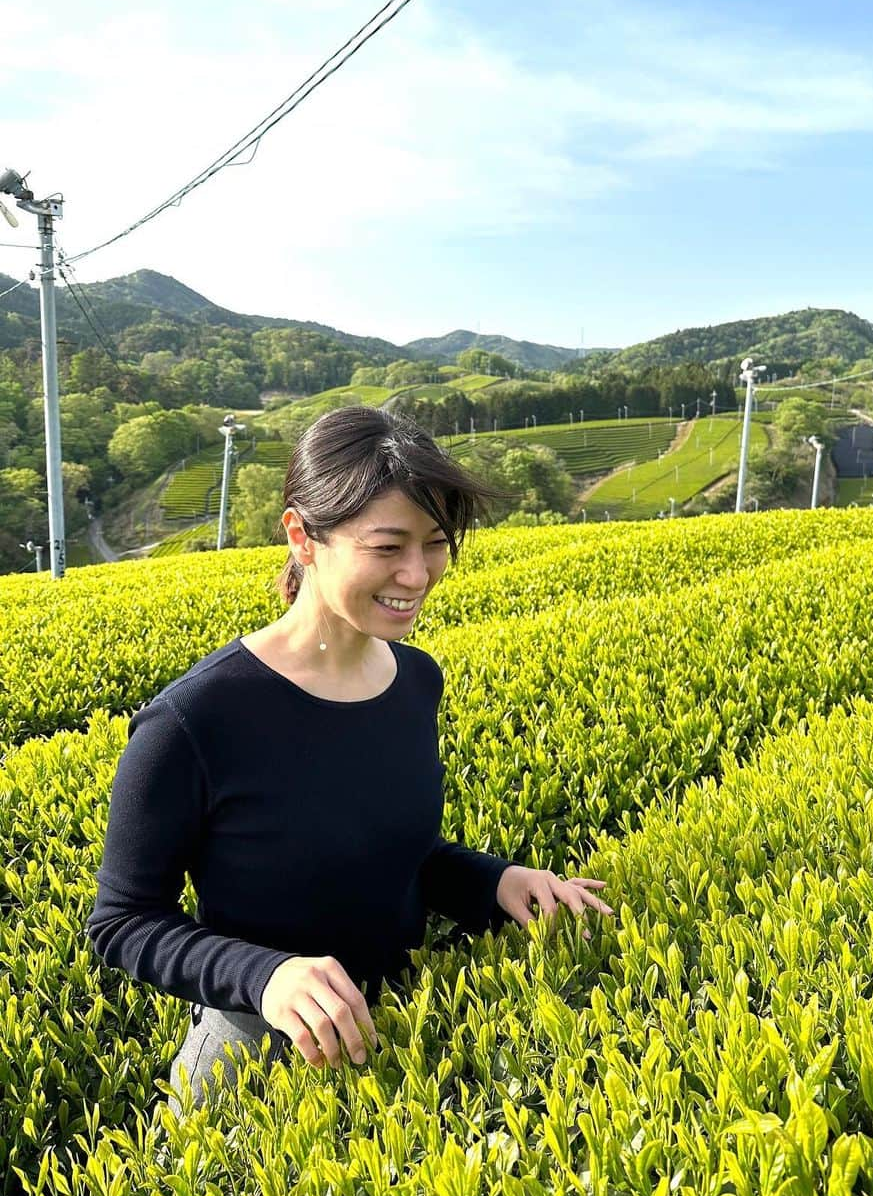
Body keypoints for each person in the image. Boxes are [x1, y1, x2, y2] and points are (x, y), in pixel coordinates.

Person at [85, 406, 614, 1117]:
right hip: (256, 1055)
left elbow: (389, 852)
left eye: (435, 543)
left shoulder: (415, 679)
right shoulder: (193, 720)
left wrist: (495, 881)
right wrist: (265, 976)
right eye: (388, 546)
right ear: (303, 536)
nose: (418, 573)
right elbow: (122, 922)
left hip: (406, 1023)